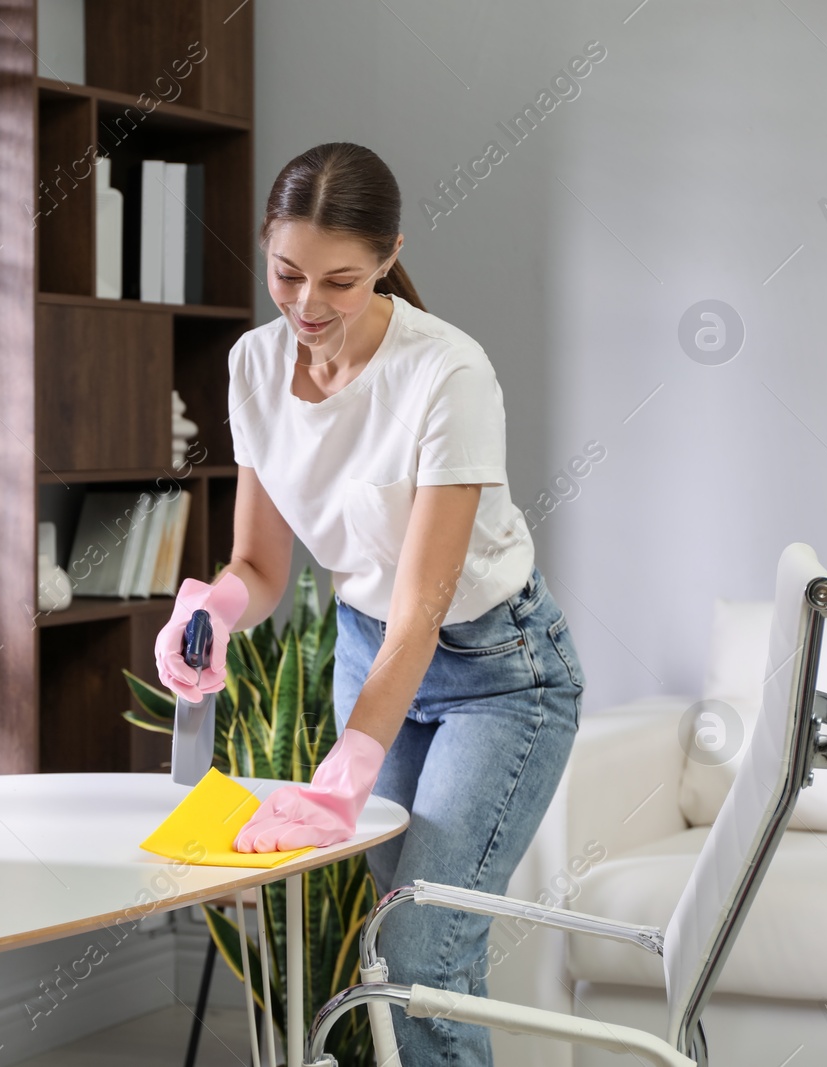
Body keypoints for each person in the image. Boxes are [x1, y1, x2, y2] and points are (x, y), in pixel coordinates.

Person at [153, 141, 586, 1065]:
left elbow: (423, 611)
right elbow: (260, 563)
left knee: (422, 947)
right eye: (286, 273)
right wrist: (218, 608)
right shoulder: (254, 367)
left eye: (340, 281)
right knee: (402, 953)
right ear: (267, 247)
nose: (308, 306)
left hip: (498, 675)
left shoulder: (447, 377)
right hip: (370, 650)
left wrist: (347, 766)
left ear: (389, 255)